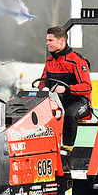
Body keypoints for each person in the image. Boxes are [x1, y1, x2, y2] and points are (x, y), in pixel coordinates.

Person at [39, 25, 92, 170]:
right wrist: (41, 88)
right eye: (47, 40)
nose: (47, 43)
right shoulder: (50, 61)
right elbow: (42, 81)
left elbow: (87, 86)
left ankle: (66, 154)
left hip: (79, 102)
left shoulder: (77, 61)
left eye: (50, 40)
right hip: (57, 102)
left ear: (61, 41)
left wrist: (67, 89)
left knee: (69, 114)